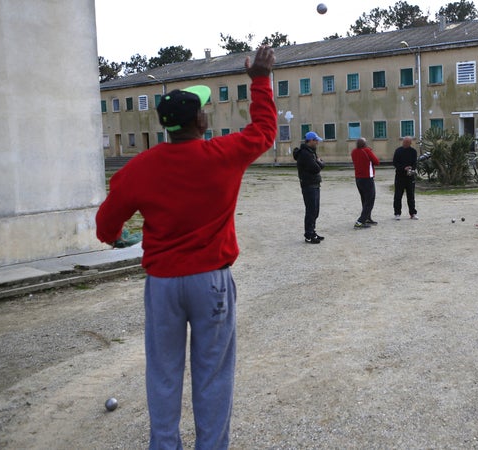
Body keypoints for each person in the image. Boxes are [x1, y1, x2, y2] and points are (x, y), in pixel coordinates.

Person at [95, 46, 277, 449]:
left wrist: (115, 237)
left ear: (166, 126)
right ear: (200, 120)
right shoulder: (222, 156)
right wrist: (260, 81)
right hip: (210, 281)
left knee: (163, 372)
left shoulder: (138, 169)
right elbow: (264, 130)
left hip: (162, 284)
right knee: (212, 373)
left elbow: (106, 227)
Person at [294, 131, 326, 243]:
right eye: (316, 140)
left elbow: (319, 164)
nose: (317, 142)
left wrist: (319, 162)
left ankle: (312, 231)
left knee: (315, 210)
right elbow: (316, 168)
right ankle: (308, 235)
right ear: (310, 140)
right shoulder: (305, 154)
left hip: (315, 184)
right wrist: (319, 162)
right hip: (309, 185)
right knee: (311, 211)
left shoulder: (311, 152)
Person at [350, 137, 380, 228]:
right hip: (367, 178)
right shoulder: (367, 150)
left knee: (364, 199)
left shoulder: (354, 152)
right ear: (365, 144)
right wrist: (369, 150)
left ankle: (367, 217)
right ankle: (360, 221)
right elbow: (376, 161)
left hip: (358, 178)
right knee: (370, 200)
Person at [392, 136, 419, 220]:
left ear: (410, 143)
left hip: (410, 177)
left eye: (407, 142)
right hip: (400, 176)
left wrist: (412, 168)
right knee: (398, 196)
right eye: (404, 142)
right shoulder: (398, 151)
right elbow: (395, 163)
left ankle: (412, 213)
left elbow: (415, 163)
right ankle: (397, 213)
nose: (405, 143)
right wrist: (404, 168)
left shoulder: (413, 152)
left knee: (411, 196)